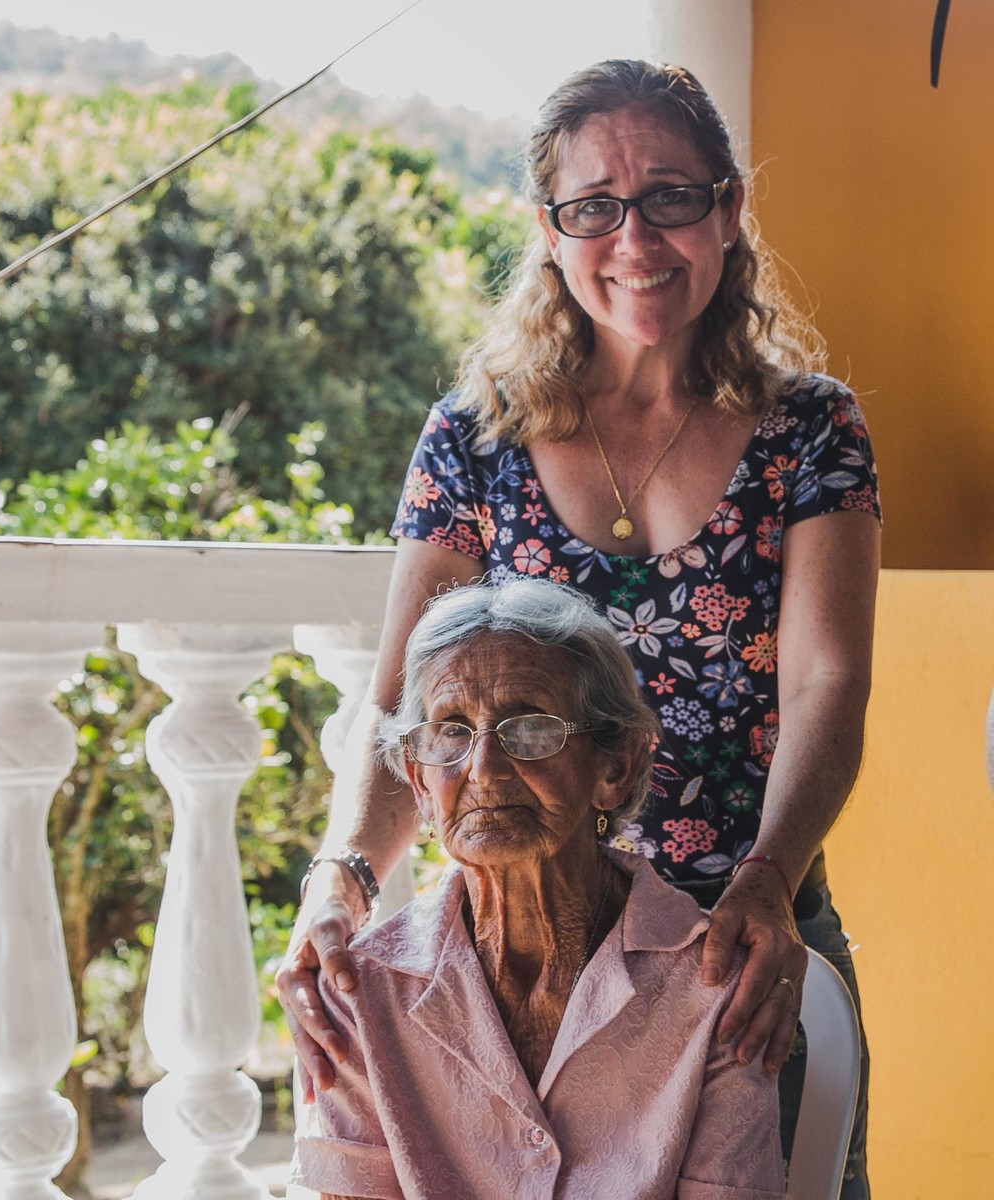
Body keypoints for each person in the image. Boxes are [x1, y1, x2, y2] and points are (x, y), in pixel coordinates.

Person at [280, 59, 880, 1197]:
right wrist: (342, 881)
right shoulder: (474, 437)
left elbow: (826, 690)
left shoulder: (811, 428)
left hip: (735, 939)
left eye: (670, 195)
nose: (635, 237)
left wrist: (766, 879)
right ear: (551, 231)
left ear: (728, 210)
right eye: (593, 205)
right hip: (513, 967)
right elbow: (408, 703)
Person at [290, 579, 786, 1200]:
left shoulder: (717, 990)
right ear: (418, 783)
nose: (484, 768)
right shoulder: (359, 996)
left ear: (616, 767)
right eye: (450, 731)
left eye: (529, 727)